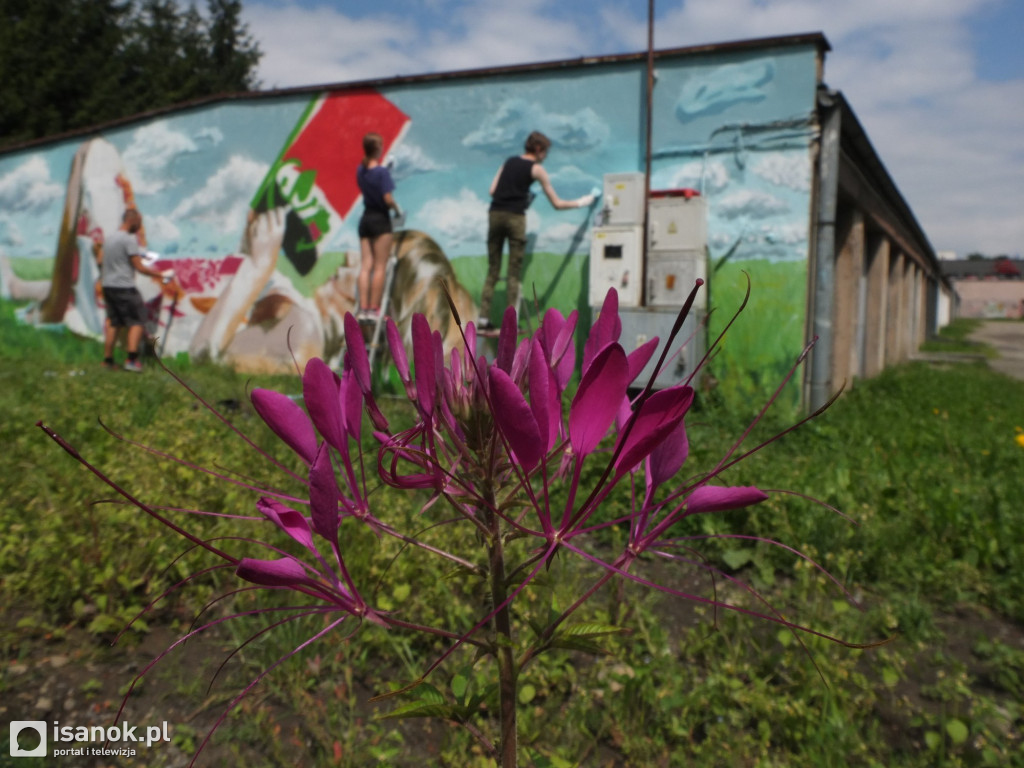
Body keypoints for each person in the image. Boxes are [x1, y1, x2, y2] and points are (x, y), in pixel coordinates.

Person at [479, 130, 594, 327]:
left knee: (493, 271)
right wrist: (582, 202)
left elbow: (492, 191)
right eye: (546, 152)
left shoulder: (509, 161)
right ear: (539, 149)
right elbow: (557, 204)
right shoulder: (536, 169)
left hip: (495, 214)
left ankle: (483, 318)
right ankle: (510, 323)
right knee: (513, 273)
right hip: (515, 217)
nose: (545, 157)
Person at [99, 208, 174, 371]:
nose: (140, 227)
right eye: (139, 223)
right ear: (131, 220)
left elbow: (100, 260)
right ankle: (132, 360)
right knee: (138, 320)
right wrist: (161, 274)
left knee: (114, 323)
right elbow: (139, 267)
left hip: (108, 286)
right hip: (124, 287)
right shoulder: (129, 240)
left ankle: (107, 361)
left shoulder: (110, 238)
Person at [356, 132, 402, 322]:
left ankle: (363, 307)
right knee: (380, 266)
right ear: (377, 149)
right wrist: (397, 209)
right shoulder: (382, 173)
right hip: (380, 220)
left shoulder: (361, 170)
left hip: (365, 220)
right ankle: (375, 309)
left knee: (366, 266)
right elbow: (387, 198)